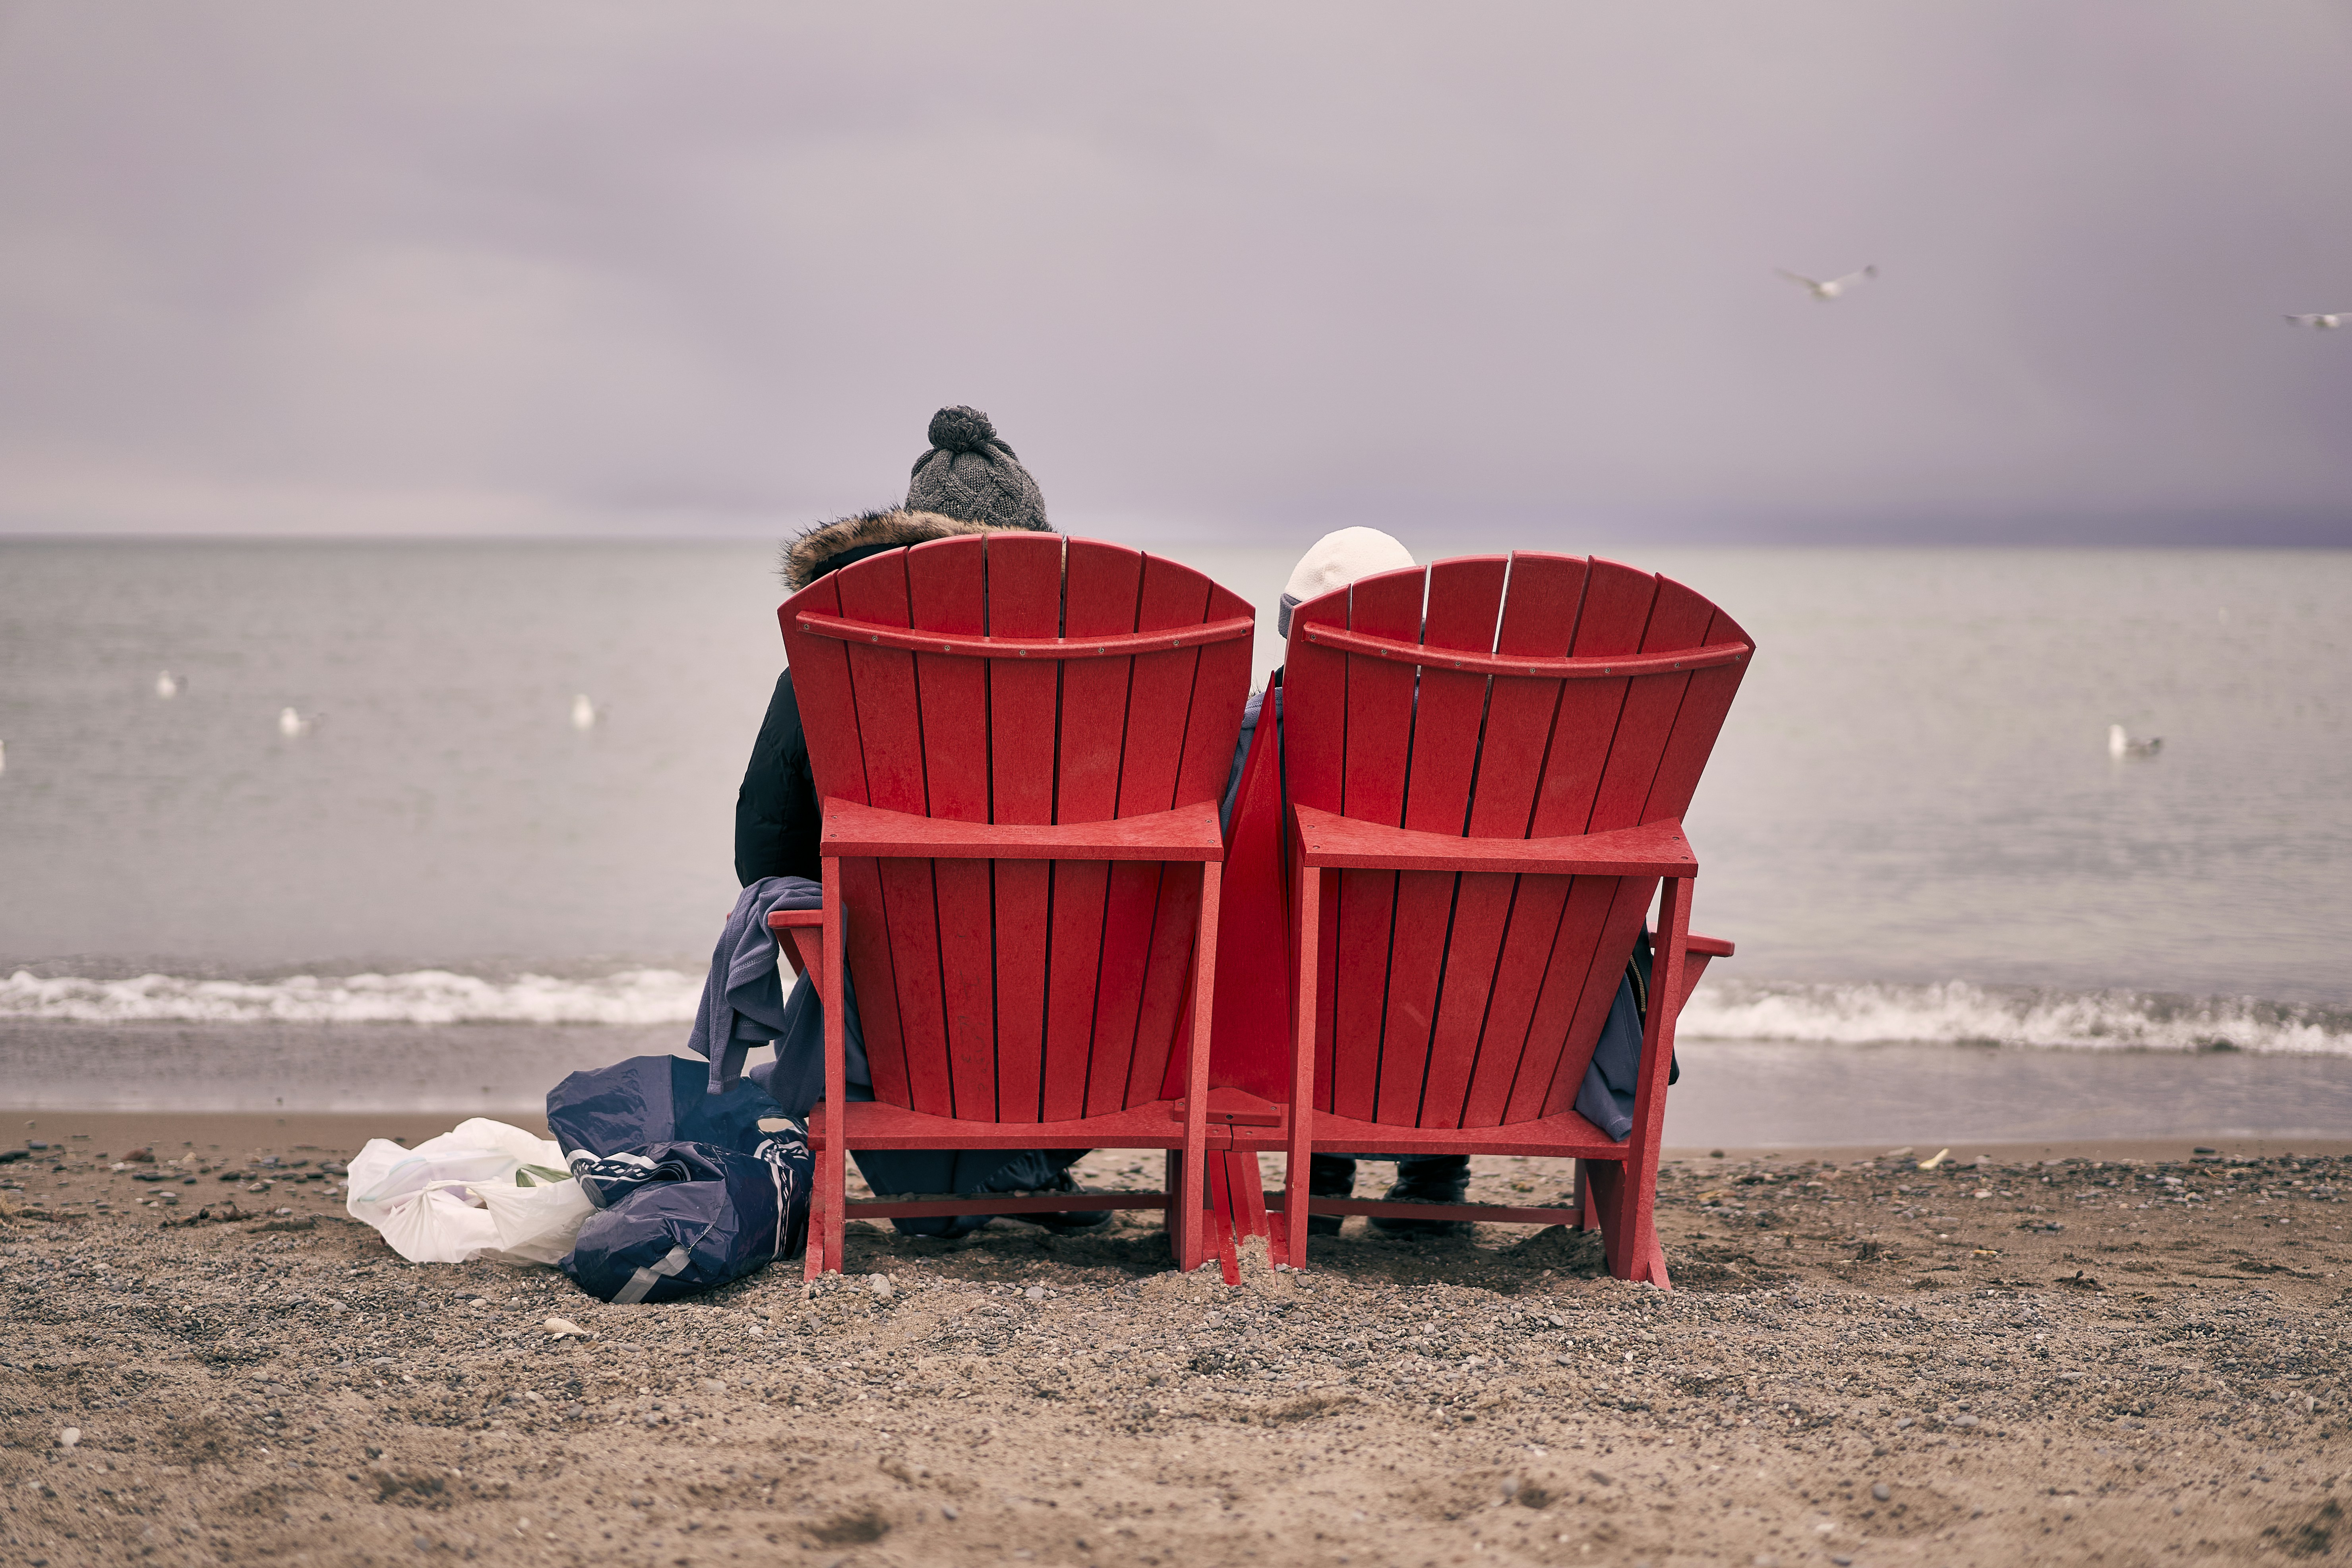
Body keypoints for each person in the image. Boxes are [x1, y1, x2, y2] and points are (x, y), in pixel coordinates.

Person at [1226, 530, 1674, 1238]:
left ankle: (1324, 1169)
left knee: (1323, 946)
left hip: (1302, 1051)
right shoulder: (1499, 760)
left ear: (1294, 638)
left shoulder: (1248, 750)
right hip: (1476, 1060)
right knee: (1474, 940)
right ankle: (1435, 1175)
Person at [730, 405, 1105, 1237]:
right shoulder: (1102, 672)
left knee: (852, 937)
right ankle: (1017, 1165)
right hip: (1085, 1019)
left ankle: (959, 1178)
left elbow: (762, 848)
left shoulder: (826, 663)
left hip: (900, 1001)